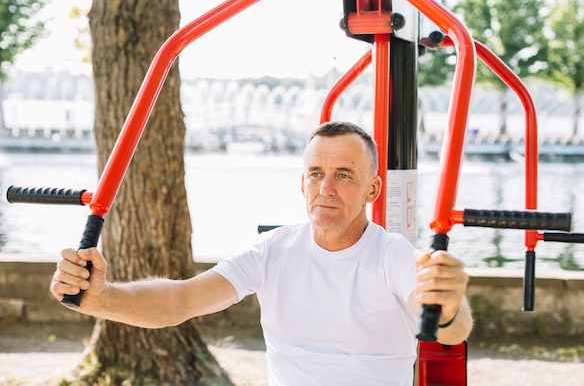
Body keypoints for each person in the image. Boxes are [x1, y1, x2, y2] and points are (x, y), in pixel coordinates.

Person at [51, 121, 473, 386]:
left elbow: (448, 326)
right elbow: (179, 301)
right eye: (315, 174)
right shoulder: (274, 250)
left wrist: (450, 306)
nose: (326, 189)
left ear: (373, 190)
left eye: (344, 175)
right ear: (302, 182)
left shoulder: (393, 255)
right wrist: (100, 299)